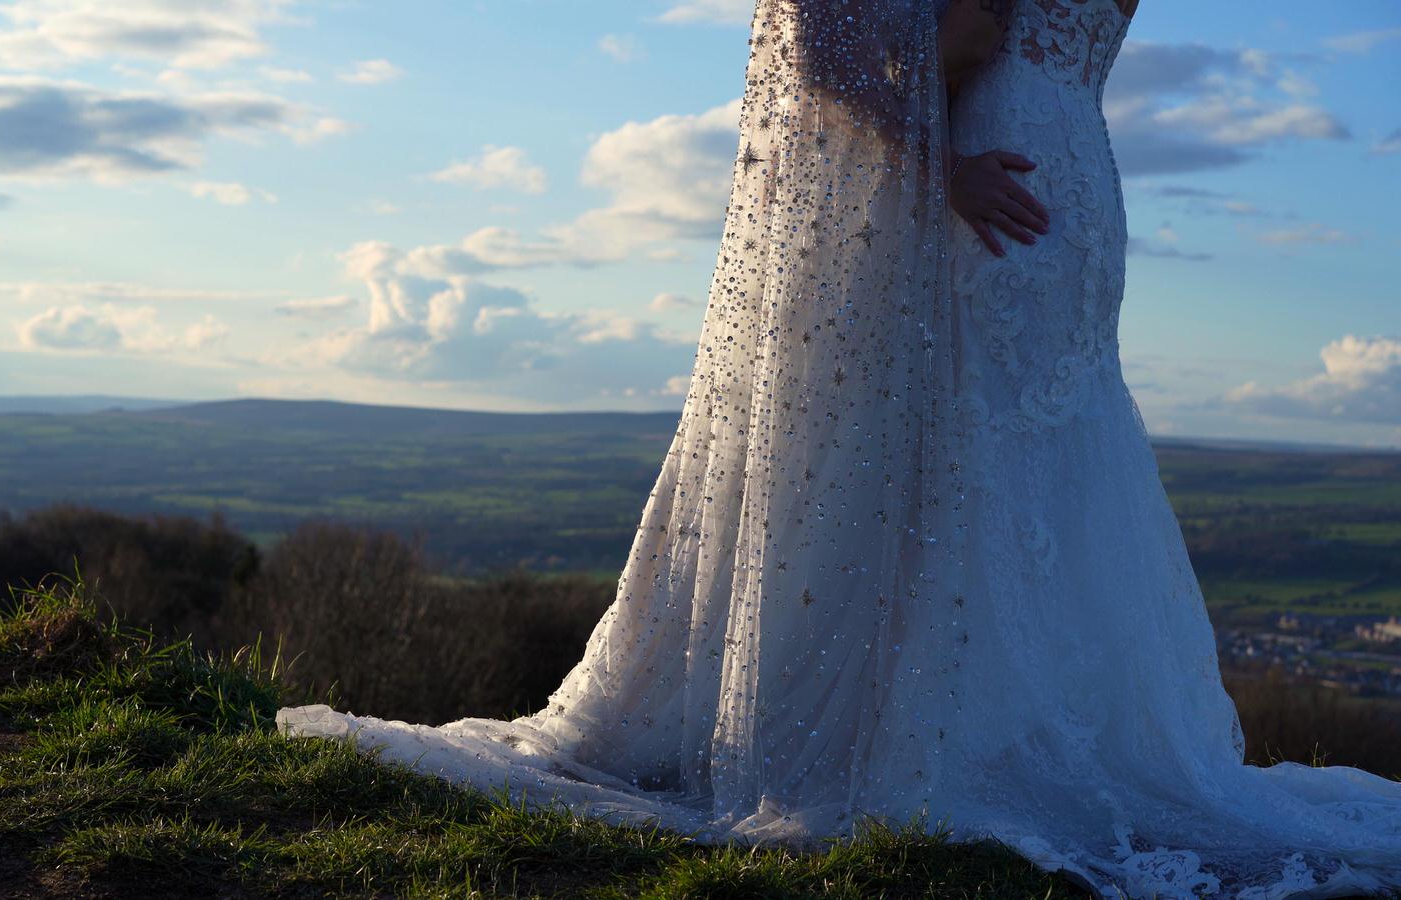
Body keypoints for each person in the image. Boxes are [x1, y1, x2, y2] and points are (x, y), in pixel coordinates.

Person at [281, 1, 1401, 895]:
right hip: (1069, 182)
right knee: (1033, 465)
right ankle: (1014, 731)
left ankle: (933, 739)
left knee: (959, 465)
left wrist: (928, 145)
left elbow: (938, 38)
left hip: (988, 186)